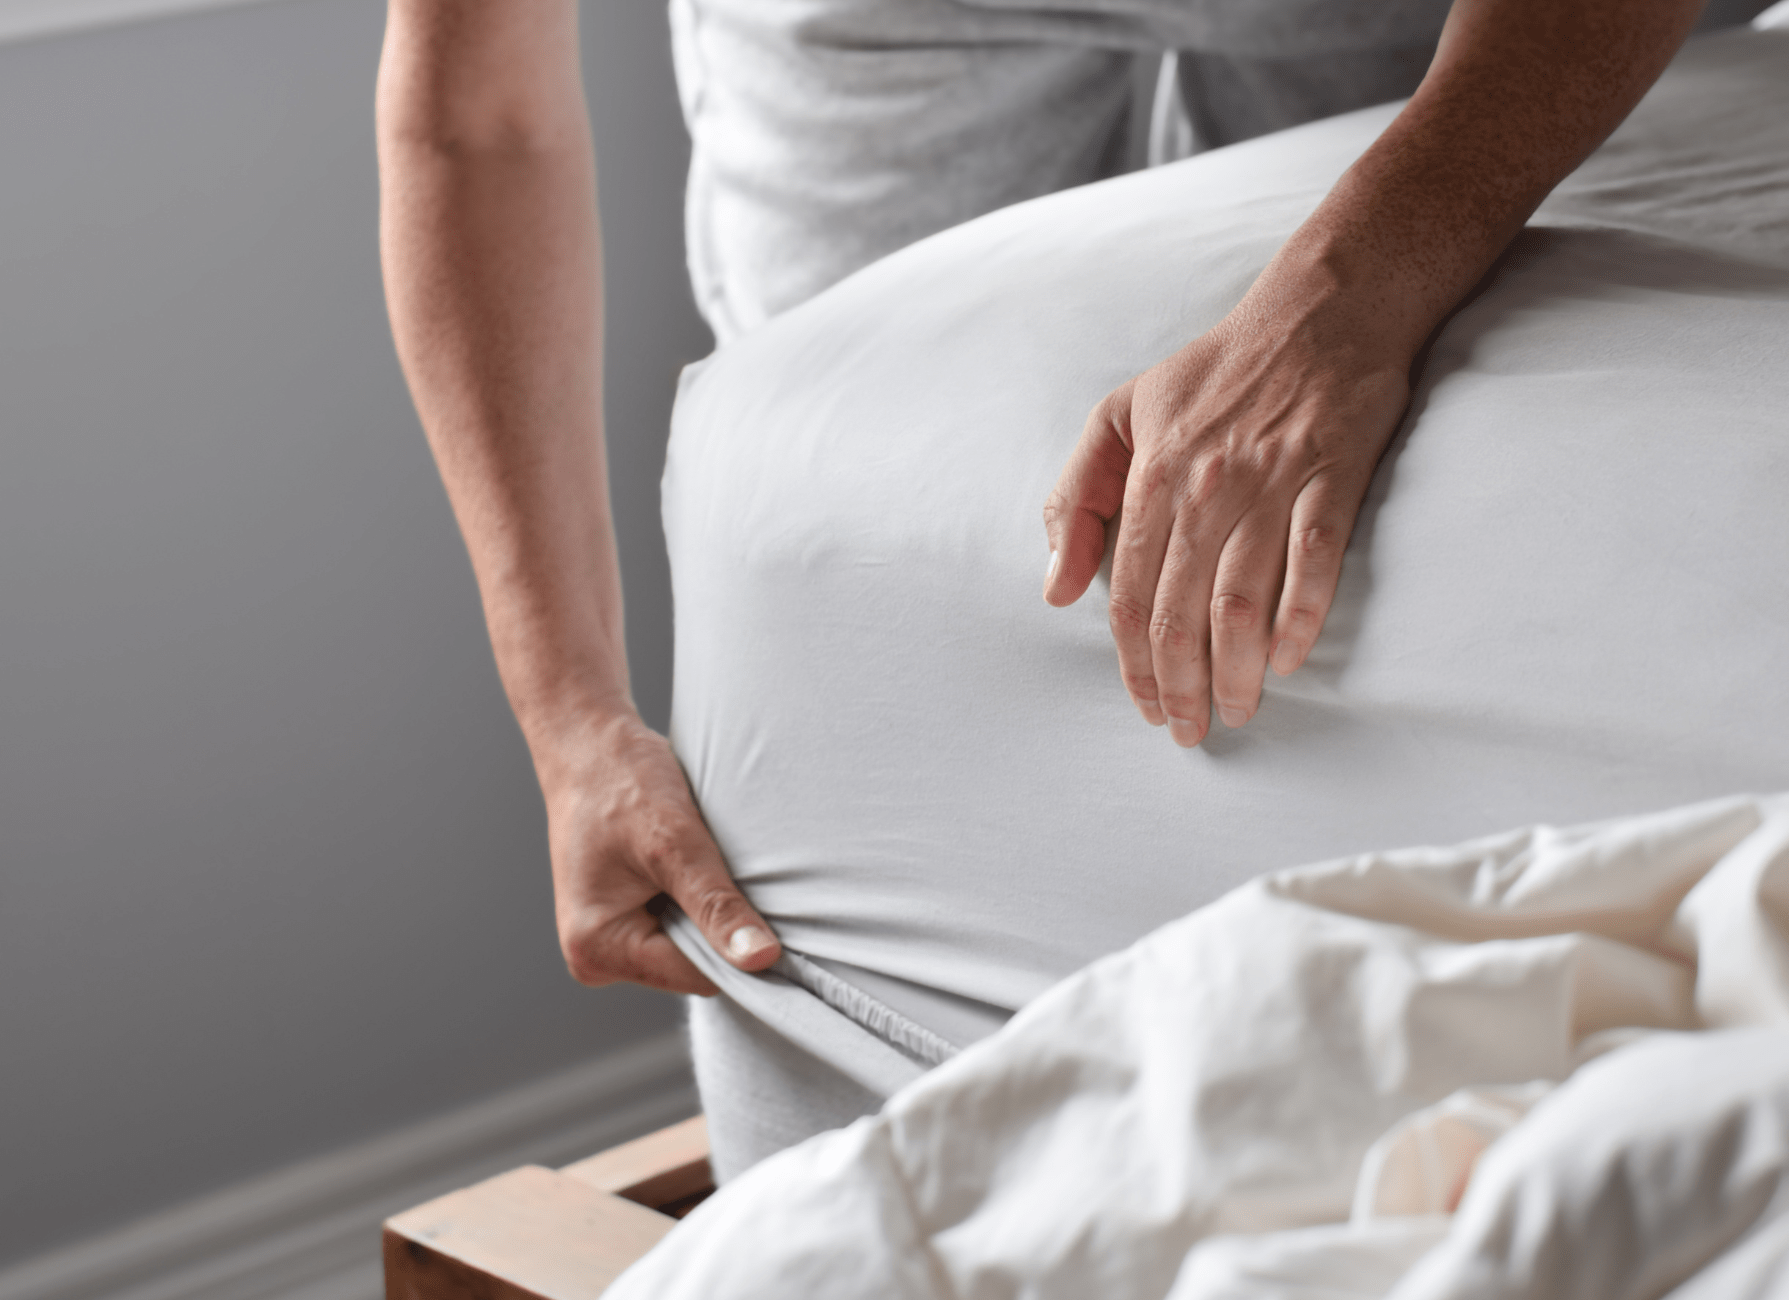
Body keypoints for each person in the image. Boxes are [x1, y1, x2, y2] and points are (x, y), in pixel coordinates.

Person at [376, 0, 1698, 1015]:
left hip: (1420, 45)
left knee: (1375, 634)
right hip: (873, 48)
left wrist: (1349, 304)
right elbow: (474, 119)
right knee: (877, 622)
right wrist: (571, 718)